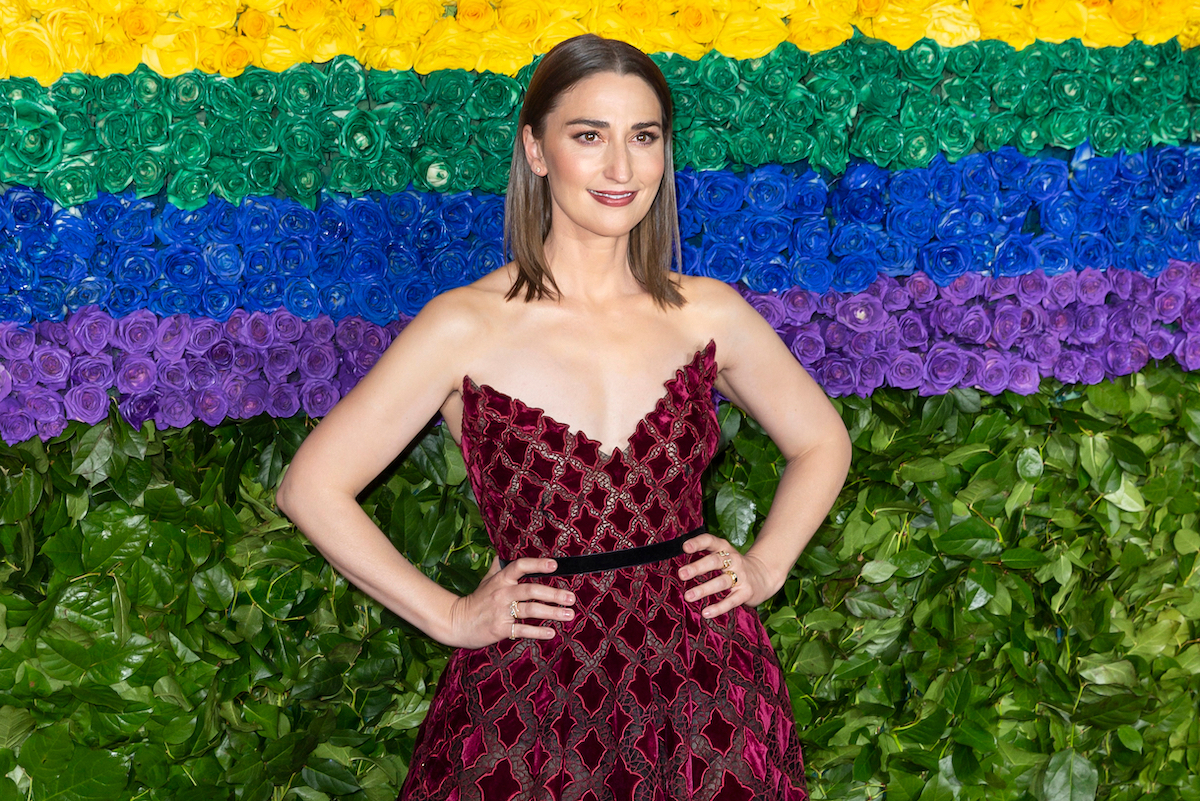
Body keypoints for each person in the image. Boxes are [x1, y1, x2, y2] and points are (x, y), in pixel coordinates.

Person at [275, 33, 852, 801]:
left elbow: (821, 441)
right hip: (529, 705)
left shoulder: (707, 313)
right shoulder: (463, 325)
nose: (621, 168)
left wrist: (764, 564)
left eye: (643, 138)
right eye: (589, 136)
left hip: (705, 700)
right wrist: (450, 614)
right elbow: (311, 487)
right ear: (536, 150)